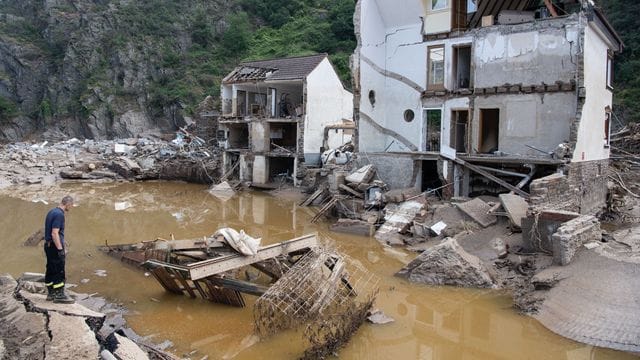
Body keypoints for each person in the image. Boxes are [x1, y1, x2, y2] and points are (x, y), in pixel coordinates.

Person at [44, 195, 75, 303]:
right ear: (67, 204)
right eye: (71, 205)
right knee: (59, 270)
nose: (71, 208)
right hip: (54, 246)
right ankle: (59, 295)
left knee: (50, 268)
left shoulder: (52, 211)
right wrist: (60, 249)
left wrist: (62, 240)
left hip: (48, 245)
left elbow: (50, 231)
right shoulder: (59, 215)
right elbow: (54, 233)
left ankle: (51, 294)